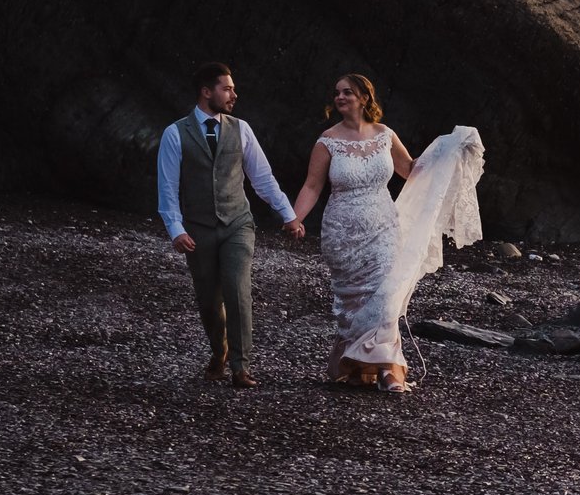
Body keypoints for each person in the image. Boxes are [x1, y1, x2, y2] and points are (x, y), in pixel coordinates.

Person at [292, 73, 486, 394]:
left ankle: (389, 370)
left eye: (348, 93)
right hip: (343, 232)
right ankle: (358, 366)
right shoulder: (327, 141)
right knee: (353, 302)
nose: (340, 97)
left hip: (384, 227)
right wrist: (295, 218)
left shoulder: (384, 135)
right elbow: (312, 186)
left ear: (364, 98)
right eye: (337, 93)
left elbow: (410, 170)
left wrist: (447, 151)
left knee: (386, 296)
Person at [156, 64, 304, 388]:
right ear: (206, 92)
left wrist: (287, 214)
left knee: (238, 290)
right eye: (227, 89)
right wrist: (176, 229)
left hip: (237, 222)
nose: (234, 95)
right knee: (208, 300)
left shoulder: (242, 129)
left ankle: (241, 367)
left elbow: (262, 178)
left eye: (233, 89)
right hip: (197, 228)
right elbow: (167, 187)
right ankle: (219, 351)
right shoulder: (175, 134)